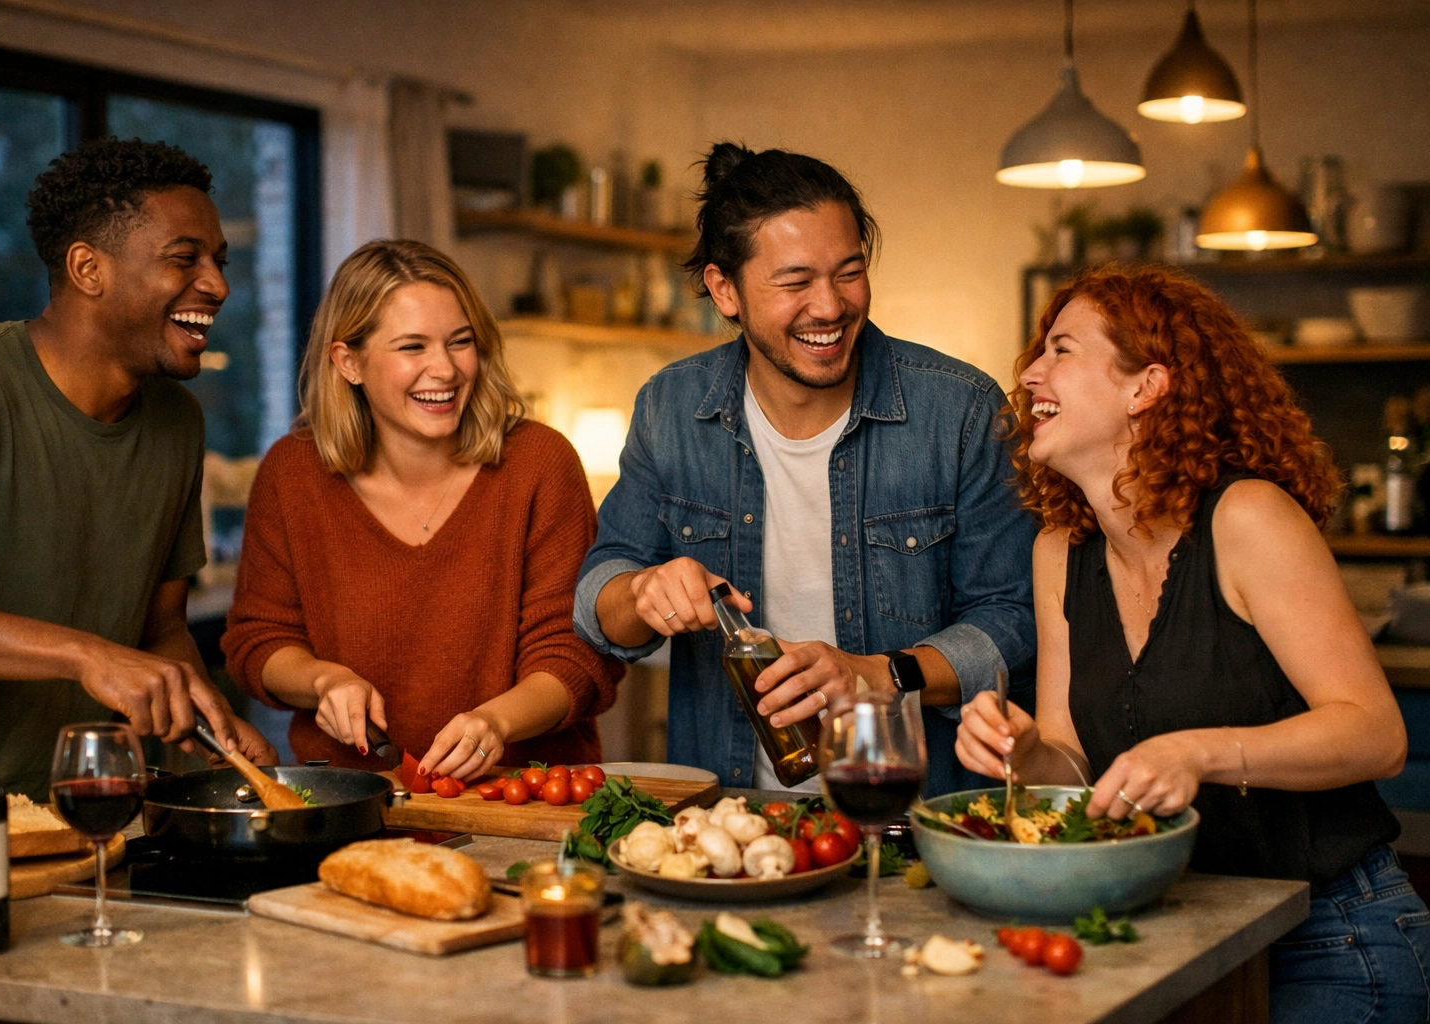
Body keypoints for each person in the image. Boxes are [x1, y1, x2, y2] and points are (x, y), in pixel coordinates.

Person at [955, 266, 1428, 1022]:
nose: (1030, 372)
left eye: (1061, 351)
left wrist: (1196, 752)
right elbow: (1071, 763)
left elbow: (1377, 733)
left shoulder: (1248, 518)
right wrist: (1025, 754)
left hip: (1332, 935)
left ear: (1146, 386)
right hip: (1178, 929)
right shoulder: (1059, 549)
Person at [574, 143, 1036, 795]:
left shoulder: (958, 411)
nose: (830, 307)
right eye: (795, 283)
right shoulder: (671, 408)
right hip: (729, 820)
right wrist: (643, 590)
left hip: (914, 821)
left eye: (849, 273)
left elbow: (1015, 622)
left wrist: (877, 673)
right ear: (724, 290)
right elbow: (600, 605)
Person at [0, 137, 276, 813]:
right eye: (185, 259)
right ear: (87, 269)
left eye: (218, 261)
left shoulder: (176, 421)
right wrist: (87, 656)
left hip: (91, 812)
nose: (217, 285)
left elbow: (159, 632)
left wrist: (213, 726)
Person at [222, 240, 622, 778]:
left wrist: (496, 724)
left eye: (461, 342)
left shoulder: (539, 464)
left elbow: (578, 654)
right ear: (348, 362)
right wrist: (323, 681)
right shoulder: (293, 474)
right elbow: (259, 639)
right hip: (357, 805)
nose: (445, 369)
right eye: (412, 347)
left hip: (528, 803)